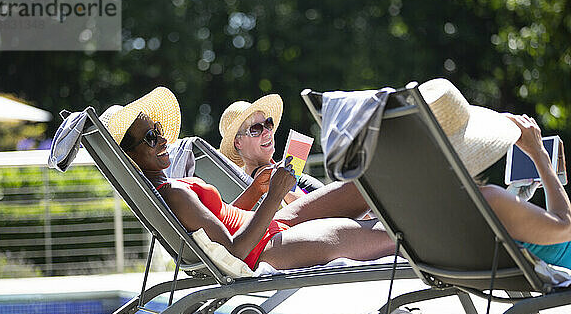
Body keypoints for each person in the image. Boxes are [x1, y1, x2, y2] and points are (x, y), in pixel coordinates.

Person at [99, 87, 395, 271]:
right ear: (131, 156)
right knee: (392, 236)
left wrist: (256, 190)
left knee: (362, 186)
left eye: (159, 129)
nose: (163, 139)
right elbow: (234, 252)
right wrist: (276, 196)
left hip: (269, 225)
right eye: (151, 137)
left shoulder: (171, 189)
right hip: (265, 247)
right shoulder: (174, 193)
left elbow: (223, 218)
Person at [419, 78, 571, 269]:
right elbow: (566, 228)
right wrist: (540, 155)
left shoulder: (426, 209)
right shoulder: (490, 199)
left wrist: (512, 200)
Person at [218, 94, 324, 204]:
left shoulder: (274, 173)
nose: (268, 132)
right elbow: (309, 208)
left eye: (268, 124)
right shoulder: (265, 178)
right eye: (256, 129)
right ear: (238, 142)